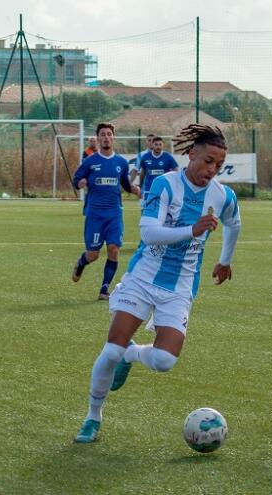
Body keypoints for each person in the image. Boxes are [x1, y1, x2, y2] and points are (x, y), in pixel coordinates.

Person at [74, 124, 241, 443]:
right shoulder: (165, 184)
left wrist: (225, 260)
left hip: (180, 287)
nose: (212, 170)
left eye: (218, 165)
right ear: (191, 154)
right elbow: (149, 233)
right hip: (143, 277)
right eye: (208, 161)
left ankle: (133, 355)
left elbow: (235, 223)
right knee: (110, 350)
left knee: (165, 361)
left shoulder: (222, 195)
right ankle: (92, 417)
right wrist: (192, 230)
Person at [71, 122, 141, 300]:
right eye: (103, 134)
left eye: (109, 134)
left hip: (114, 214)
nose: (106, 137)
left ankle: (104, 289)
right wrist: (79, 183)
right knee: (93, 254)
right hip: (95, 214)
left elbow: (125, 183)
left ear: (113, 137)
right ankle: (81, 263)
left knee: (113, 249)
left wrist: (133, 189)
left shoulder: (121, 163)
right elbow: (76, 178)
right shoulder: (90, 161)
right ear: (98, 138)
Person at [137, 135, 179, 205]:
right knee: (146, 210)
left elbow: (176, 170)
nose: (158, 147)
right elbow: (143, 172)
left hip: (163, 190)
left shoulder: (168, 157)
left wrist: (174, 183)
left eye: (160, 144)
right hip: (149, 190)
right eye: (156, 144)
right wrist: (140, 186)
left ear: (163, 145)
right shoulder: (146, 157)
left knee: (164, 211)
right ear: (152, 145)